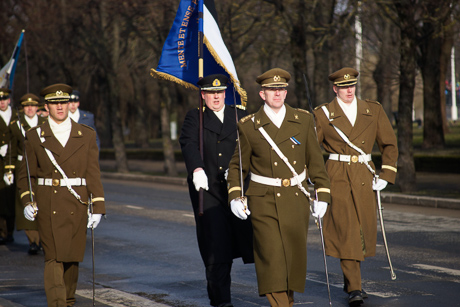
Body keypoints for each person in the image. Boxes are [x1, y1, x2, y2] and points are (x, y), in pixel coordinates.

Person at [226, 68, 331, 307]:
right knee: (272, 260)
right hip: (263, 201)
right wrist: (234, 196)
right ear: (262, 94)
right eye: (272, 90)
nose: (278, 94)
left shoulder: (303, 120)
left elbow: (315, 162)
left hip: (296, 200)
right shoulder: (249, 125)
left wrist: (323, 195)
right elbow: (236, 167)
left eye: (281, 89)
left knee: (291, 264)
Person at [313, 67, 398, 306]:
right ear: (335, 88)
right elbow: (311, 150)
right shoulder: (323, 113)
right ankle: (355, 287)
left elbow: (389, 143)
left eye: (352, 86)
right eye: (343, 87)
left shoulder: (373, 109)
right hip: (337, 176)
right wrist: (316, 182)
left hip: (364, 175)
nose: (349, 90)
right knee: (348, 230)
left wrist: (387, 172)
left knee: (362, 231)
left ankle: (351, 279)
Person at [17, 83, 105, 307]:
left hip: (77, 200)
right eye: (55, 103)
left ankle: (68, 299)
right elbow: (25, 174)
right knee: (54, 256)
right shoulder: (34, 136)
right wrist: (28, 200)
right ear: (46, 107)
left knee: (72, 258)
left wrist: (98, 207)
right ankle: (58, 304)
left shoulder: (86, 135)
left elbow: (93, 173)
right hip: (48, 202)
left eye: (63, 102)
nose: (60, 107)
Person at [179, 74, 254, 307]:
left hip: (238, 190)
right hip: (209, 190)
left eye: (220, 92)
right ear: (203, 95)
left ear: (225, 94)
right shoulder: (195, 118)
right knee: (216, 246)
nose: (216, 97)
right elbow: (188, 143)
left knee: (253, 240)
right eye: (211, 93)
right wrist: (196, 168)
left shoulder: (240, 116)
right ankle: (221, 299)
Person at [9, 93, 47, 254]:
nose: (30, 109)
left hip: (42, 165)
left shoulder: (45, 123)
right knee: (26, 201)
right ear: (23, 108)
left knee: (43, 200)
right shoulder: (16, 124)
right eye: (26, 106)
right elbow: (11, 147)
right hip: (22, 165)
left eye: (33, 106)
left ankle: (43, 238)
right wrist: (9, 168)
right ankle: (32, 240)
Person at [0, 87, 18, 245]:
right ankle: (2, 231)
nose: (2, 103)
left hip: (13, 162)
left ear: (9, 100)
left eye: (4, 99)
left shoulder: (16, 115)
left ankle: (10, 230)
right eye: (0, 100)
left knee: (11, 196)